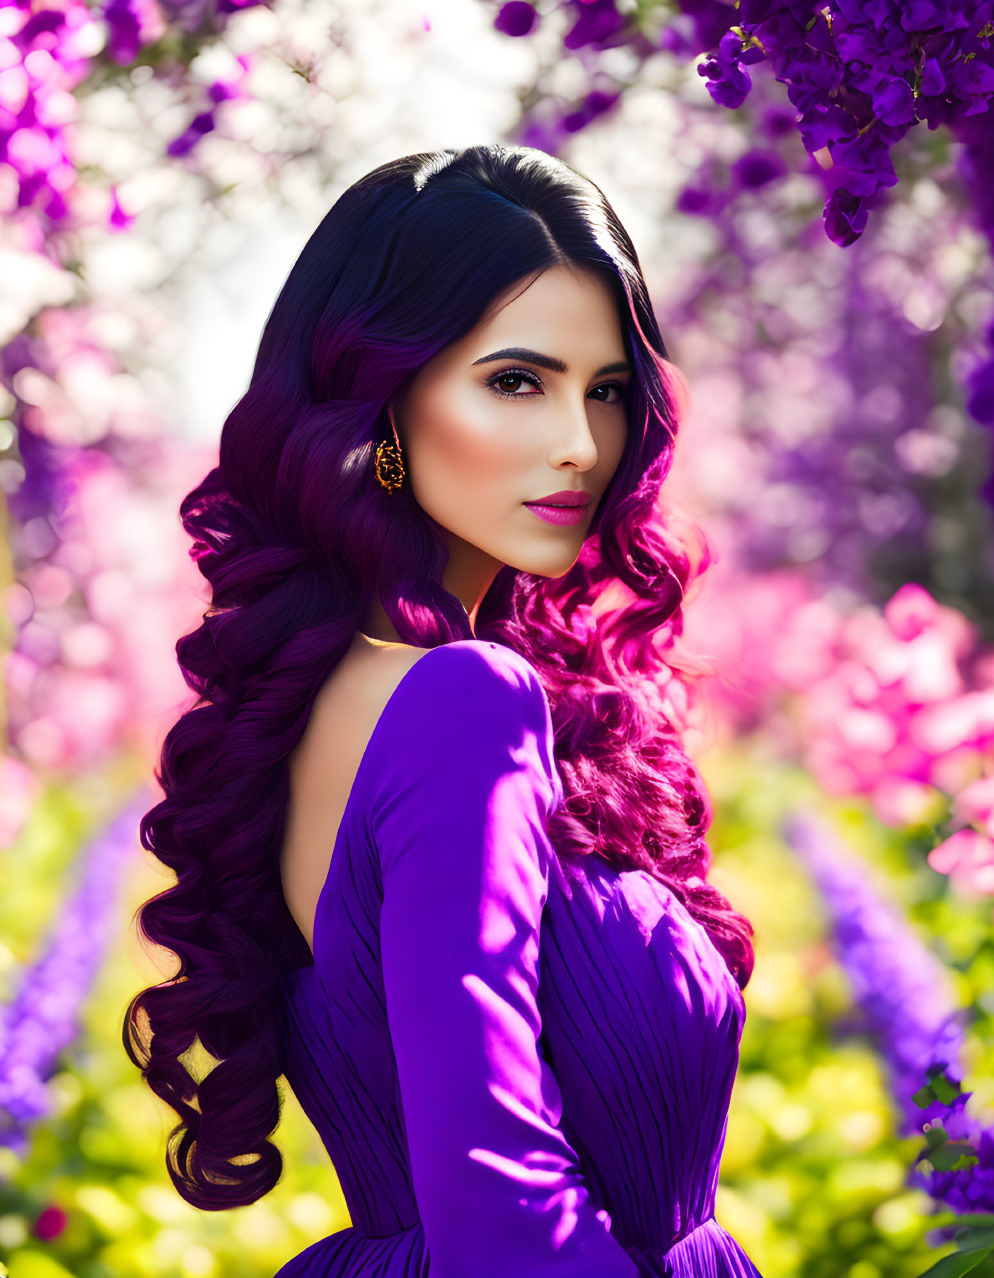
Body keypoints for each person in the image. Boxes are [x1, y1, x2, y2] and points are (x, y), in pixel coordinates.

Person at [124, 144, 761, 1277]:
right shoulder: (461, 703)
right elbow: (498, 1204)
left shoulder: (332, 696)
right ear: (379, 404)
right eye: (516, 381)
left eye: (605, 390)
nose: (579, 443)